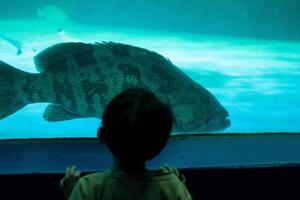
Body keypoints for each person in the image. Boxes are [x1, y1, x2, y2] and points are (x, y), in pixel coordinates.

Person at [60, 88, 193, 200]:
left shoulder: (88, 187)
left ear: (101, 136)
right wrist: (173, 186)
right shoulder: (173, 188)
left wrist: (73, 194)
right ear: (163, 143)